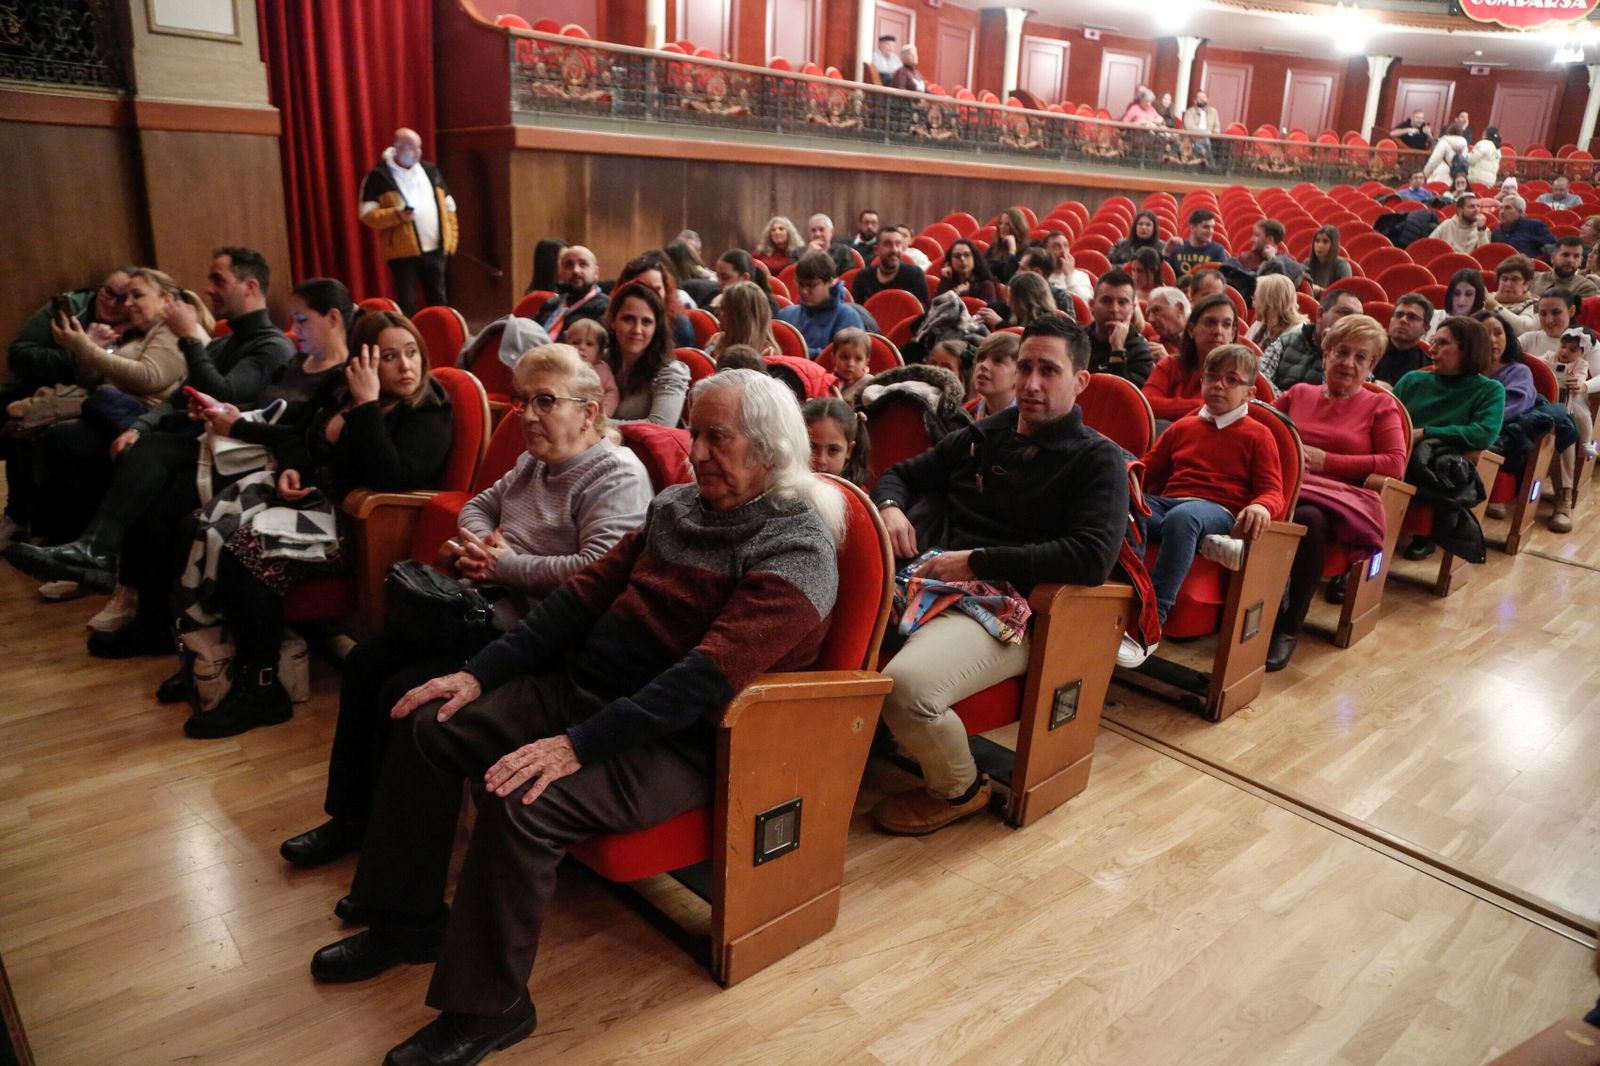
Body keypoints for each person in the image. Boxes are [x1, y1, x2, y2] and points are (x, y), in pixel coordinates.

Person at [308, 369, 844, 1065]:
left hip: (678, 741)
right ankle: (405, 919)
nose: (697, 454)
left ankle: (490, 1006)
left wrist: (574, 746)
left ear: (770, 450)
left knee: (524, 798)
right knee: (432, 722)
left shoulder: (796, 545)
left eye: (718, 439)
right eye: (694, 435)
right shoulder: (677, 506)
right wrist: (478, 674)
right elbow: (579, 599)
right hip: (587, 691)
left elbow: (697, 683)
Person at [278, 343, 653, 867]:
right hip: (482, 609)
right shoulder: (532, 462)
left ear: (589, 412)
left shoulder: (616, 475)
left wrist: (506, 566)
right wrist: (481, 547)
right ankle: (350, 818)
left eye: (546, 401)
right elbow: (476, 506)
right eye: (522, 401)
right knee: (365, 661)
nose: (526, 415)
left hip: (539, 636)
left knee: (400, 689)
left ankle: (397, 853)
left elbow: (596, 574)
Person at [869, 315, 1128, 834]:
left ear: (1079, 382)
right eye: (1026, 367)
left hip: (1019, 610)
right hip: (940, 580)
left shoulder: (1097, 459)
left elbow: (1091, 557)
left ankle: (958, 789)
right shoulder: (985, 434)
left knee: (908, 689)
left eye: (1049, 371)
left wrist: (981, 560)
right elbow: (900, 473)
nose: (1032, 383)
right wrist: (892, 507)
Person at [177, 310, 455, 738]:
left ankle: (261, 689)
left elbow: (392, 479)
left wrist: (366, 409)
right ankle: (217, 656)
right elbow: (297, 434)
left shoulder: (428, 408)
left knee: (247, 550)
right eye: (390, 356)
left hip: (362, 525)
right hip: (314, 503)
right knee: (203, 525)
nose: (406, 366)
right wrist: (292, 467)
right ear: (362, 361)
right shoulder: (340, 388)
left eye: (413, 353)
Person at [11, 248, 294, 591]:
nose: (207, 289)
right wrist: (136, 426)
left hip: (235, 453)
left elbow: (226, 391)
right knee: (91, 440)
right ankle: (83, 554)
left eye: (218, 280)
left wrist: (189, 336)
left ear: (250, 286)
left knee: (147, 456)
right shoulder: (226, 343)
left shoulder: (271, 343)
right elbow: (179, 397)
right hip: (198, 441)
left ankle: (98, 557)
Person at [1122, 342, 1284, 667]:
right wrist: (1125, 480)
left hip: (1218, 511)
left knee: (1184, 519)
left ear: (1250, 393)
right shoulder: (1185, 425)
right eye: (1212, 377)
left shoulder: (1258, 434)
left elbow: (1273, 491)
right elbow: (1148, 467)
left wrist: (1262, 507)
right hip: (1171, 504)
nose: (1219, 385)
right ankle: (1116, 596)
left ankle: (1151, 622)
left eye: (1231, 380)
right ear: (1201, 383)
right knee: (1121, 504)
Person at [1265, 314, 1407, 671]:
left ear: (1371, 366)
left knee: (1308, 518)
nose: (1349, 363)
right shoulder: (1298, 394)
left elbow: (1394, 464)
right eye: (1342, 352)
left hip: (1340, 499)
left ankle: (1287, 626)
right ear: (1326, 353)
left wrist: (1329, 461)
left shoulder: (1380, 405)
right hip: (1287, 485)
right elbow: (1263, 431)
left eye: (1361, 357)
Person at [1394, 316, 1506, 559]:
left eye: (1443, 343)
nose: (1432, 349)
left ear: (1468, 350)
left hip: (1438, 461)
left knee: (1433, 464)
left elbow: (1484, 433)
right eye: (1433, 341)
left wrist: (1426, 432)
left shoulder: (1489, 390)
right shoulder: (1413, 380)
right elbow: (1387, 420)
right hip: (1400, 452)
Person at [358, 128, 458, 315]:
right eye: (411, 147)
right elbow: (367, 215)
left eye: (419, 147)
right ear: (397, 148)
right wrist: (397, 215)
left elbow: (450, 207)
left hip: (435, 250)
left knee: (439, 301)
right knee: (407, 303)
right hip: (402, 254)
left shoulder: (430, 171)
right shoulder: (379, 177)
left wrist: (451, 241)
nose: (417, 152)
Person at [1143, 292, 1237, 423]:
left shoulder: (1240, 375)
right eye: (1210, 323)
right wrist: (1203, 406)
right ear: (1191, 330)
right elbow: (1147, 404)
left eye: (1226, 324)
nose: (1218, 331)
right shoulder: (1170, 364)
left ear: (1232, 334)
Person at [606, 283, 689, 425]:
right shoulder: (600, 360)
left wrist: (595, 424)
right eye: (628, 319)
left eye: (646, 322)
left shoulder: (670, 371)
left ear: (656, 327)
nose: (637, 330)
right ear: (613, 321)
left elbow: (660, 427)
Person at [1259, 288, 1364, 392]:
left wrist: (1331, 352)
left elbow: (1334, 399)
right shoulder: (1287, 341)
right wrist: (1287, 402)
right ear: (1320, 314)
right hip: (1273, 406)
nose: (1352, 321)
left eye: (1358, 318)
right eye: (1345, 313)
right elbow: (1261, 380)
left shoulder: (1358, 360)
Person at [1547, 325, 1597, 533]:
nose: (1565, 352)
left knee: (1569, 425)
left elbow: (1582, 378)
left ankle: (1564, 494)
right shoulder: (1548, 354)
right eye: (1563, 346)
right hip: (1540, 400)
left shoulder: (1582, 363)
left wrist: (1580, 383)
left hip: (1568, 403)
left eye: (1572, 349)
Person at [780, 250, 866, 356]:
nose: (804, 291)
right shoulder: (785, 315)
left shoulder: (847, 317)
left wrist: (794, 351)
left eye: (812, 285)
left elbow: (844, 360)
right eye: (800, 284)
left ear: (830, 282)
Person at [1082, 269, 1156, 387]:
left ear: (1132, 309)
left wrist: (1117, 350)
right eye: (1106, 301)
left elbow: (1123, 400)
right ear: (1092, 305)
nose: (1114, 309)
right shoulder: (1075, 341)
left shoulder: (1141, 353)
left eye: (1122, 302)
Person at [615, 253, 696, 347]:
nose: (652, 295)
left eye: (657, 289)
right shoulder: (614, 318)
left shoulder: (679, 325)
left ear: (666, 289)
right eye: (645, 288)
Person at [1475, 310, 1536, 425]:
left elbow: (1508, 411)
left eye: (1498, 333)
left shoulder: (1519, 373)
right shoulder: (1462, 371)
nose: (1492, 340)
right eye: (1484, 334)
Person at [534, 246, 608, 341]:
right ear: (560, 273)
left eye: (583, 264)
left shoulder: (605, 308)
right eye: (569, 265)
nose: (575, 270)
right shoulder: (551, 304)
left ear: (596, 273)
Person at [851, 227, 929, 306]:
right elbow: (857, 313)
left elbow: (921, 312)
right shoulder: (863, 277)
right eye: (888, 244)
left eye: (898, 244)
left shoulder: (915, 275)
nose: (894, 250)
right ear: (876, 250)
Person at [803, 396, 871, 485]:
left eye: (833, 450)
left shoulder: (856, 496)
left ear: (849, 450)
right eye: (812, 448)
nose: (821, 460)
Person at [706, 281, 779, 360]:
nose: (716, 312)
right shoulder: (716, 340)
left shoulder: (768, 354)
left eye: (723, 308)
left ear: (741, 317)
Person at [562, 317, 619, 415]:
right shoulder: (562, 366)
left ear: (600, 352)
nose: (581, 347)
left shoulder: (603, 370)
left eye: (589, 344)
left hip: (594, 416)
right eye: (575, 343)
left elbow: (612, 393)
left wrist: (603, 413)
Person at [1373, 295, 1433, 387]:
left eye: (1412, 317)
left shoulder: (1428, 368)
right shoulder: (1367, 351)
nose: (1403, 320)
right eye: (1398, 315)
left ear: (1425, 328)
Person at [965, 330, 1019, 418]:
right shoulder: (964, 413)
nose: (983, 365)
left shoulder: (1030, 422)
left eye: (998, 360)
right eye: (981, 358)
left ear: (1019, 374)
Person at [1247, 273, 1306, 352]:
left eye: (1255, 299)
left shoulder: (1297, 335)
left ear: (1269, 305)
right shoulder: (1262, 322)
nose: (1253, 305)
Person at [1485, 255, 1539, 334]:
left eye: (1515, 279)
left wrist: (1495, 307)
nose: (1508, 284)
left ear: (1526, 284)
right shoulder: (1487, 298)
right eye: (1504, 279)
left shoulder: (1533, 304)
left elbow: (1524, 329)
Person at [1533, 236, 1599, 299]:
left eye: (1576, 256)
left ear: (1580, 261)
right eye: (1565, 255)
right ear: (1553, 257)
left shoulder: (1586, 287)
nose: (1570, 260)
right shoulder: (1534, 279)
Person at [1168, 209, 1228, 277]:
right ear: (1193, 228)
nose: (1211, 231)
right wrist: (1166, 251)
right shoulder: (1178, 248)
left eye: (1212, 227)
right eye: (1206, 227)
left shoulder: (1217, 250)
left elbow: (1221, 279)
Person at [936, 238, 999, 303]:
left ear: (974, 259)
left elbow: (983, 312)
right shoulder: (947, 283)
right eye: (957, 256)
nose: (962, 259)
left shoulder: (986, 286)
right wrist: (945, 280)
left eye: (967, 255)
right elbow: (935, 310)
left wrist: (964, 297)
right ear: (949, 262)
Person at [1491, 196, 1556, 259]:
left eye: (1507, 208)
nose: (1502, 212)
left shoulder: (1533, 226)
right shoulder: (1497, 232)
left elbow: (1554, 246)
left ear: (1520, 212)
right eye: (1501, 208)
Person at [1519, 288, 1574, 361]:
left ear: (1571, 311)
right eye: (1543, 314)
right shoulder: (1527, 340)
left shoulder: (1585, 342)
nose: (1549, 320)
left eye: (1556, 313)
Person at [1043, 231, 1095, 304]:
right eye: (1056, 247)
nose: (1063, 251)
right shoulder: (1040, 276)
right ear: (1046, 251)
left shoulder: (1081, 277)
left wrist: (1069, 276)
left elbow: (1084, 305)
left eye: (1066, 246)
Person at [1301, 225, 1351, 298]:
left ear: (1334, 245)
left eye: (1325, 241)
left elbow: (1344, 293)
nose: (1319, 245)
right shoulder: (1307, 263)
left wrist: (1321, 291)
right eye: (1317, 241)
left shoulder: (1342, 266)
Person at [983, 207, 1031, 283]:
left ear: (1017, 227)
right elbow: (983, 268)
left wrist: (1012, 251)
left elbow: (1008, 276)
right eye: (1001, 223)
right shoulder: (995, 246)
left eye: (1007, 224)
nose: (1002, 227)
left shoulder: (1026, 249)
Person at [827, 327, 873, 403]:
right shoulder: (828, 382)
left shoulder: (869, 385)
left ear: (866, 362)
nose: (850, 364)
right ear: (833, 358)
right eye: (845, 357)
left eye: (858, 359)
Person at [1145, 287, 1190, 356]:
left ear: (1179, 308)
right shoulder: (1152, 345)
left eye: (1156, 310)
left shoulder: (1203, 339)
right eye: (1148, 314)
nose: (1151, 319)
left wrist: (1167, 362)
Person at [1181, 91, 1220, 166]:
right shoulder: (1190, 111)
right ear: (1195, 100)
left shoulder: (1213, 112)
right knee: (1204, 140)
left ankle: (1206, 160)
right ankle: (1211, 163)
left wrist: (1211, 134)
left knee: (1205, 140)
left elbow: (1217, 129)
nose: (1202, 99)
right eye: (1200, 97)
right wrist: (1204, 132)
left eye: (1204, 97)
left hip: (1210, 137)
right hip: (1194, 136)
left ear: (1207, 100)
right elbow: (1189, 127)